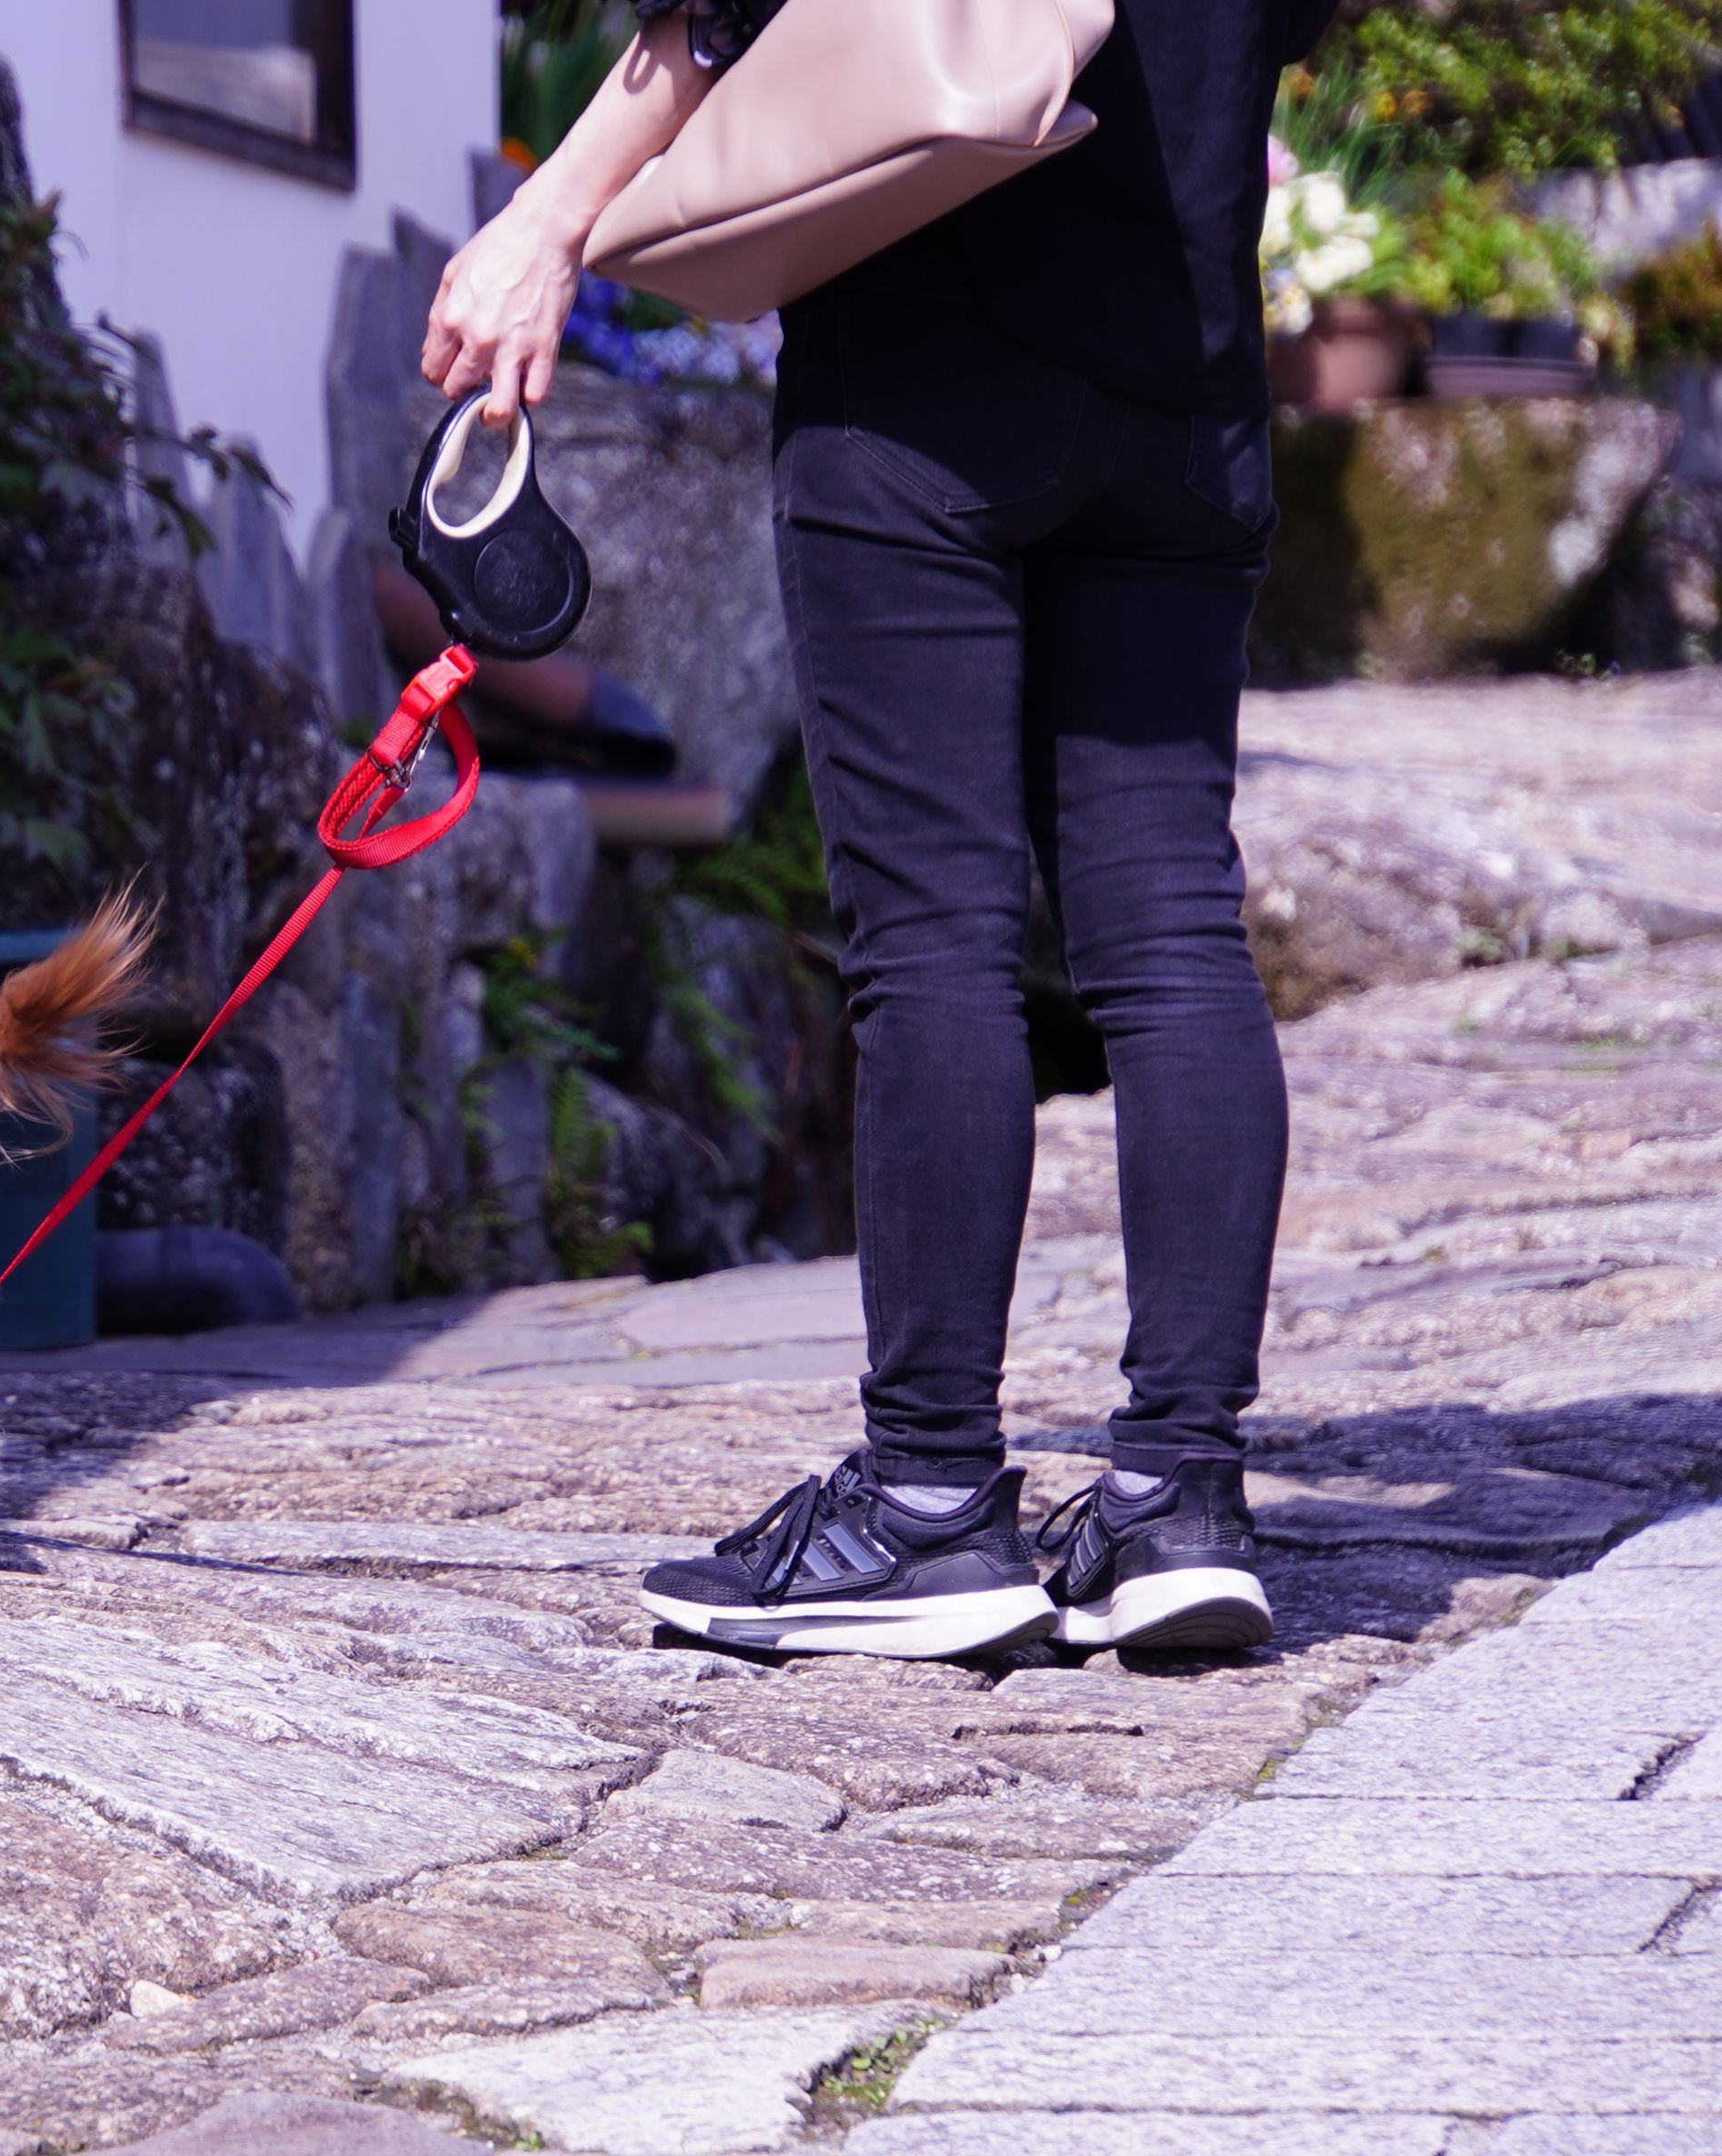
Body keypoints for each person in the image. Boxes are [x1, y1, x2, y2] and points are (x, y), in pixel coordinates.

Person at [423, 0, 1341, 1658]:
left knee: (933, 940)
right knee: (1170, 929)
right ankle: (1182, 1496)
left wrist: (542, 223)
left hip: (927, 382)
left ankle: (925, 1499)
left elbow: (726, 17)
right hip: (1187, 390)